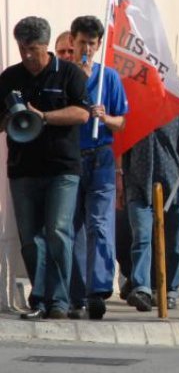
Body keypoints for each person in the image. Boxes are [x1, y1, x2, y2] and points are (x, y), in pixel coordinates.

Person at [0, 16, 90, 320]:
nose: (27, 56)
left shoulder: (68, 74)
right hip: (23, 168)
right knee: (30, 236)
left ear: (46, 46)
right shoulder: (10, 78)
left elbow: (82, 113)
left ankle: (60, 301)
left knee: (58, 231)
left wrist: (44, 117)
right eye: (22, 49)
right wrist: (12, 118)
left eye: (33, 50)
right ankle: (39, 298)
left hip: (61, 168)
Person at [67, 16, 128, 320]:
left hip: (101, 155)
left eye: (92, 43)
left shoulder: (110, 78)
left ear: (99, 44)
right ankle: (75, 293)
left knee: (100, 224)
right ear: (72, 42)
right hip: (71, 156)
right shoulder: (65, 75)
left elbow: (121, 122)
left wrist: (105, 118)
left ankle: (98, 289)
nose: (87, 48)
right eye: (82, 43)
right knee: (72, 227)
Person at [123, 110, 179, 312]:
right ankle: (142, 289)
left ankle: (170, 290)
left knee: (173, 244)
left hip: (172, 187)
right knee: (142, 237)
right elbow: (121, 147)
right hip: (138, 187)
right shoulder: (133, 111)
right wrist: (119, 181)